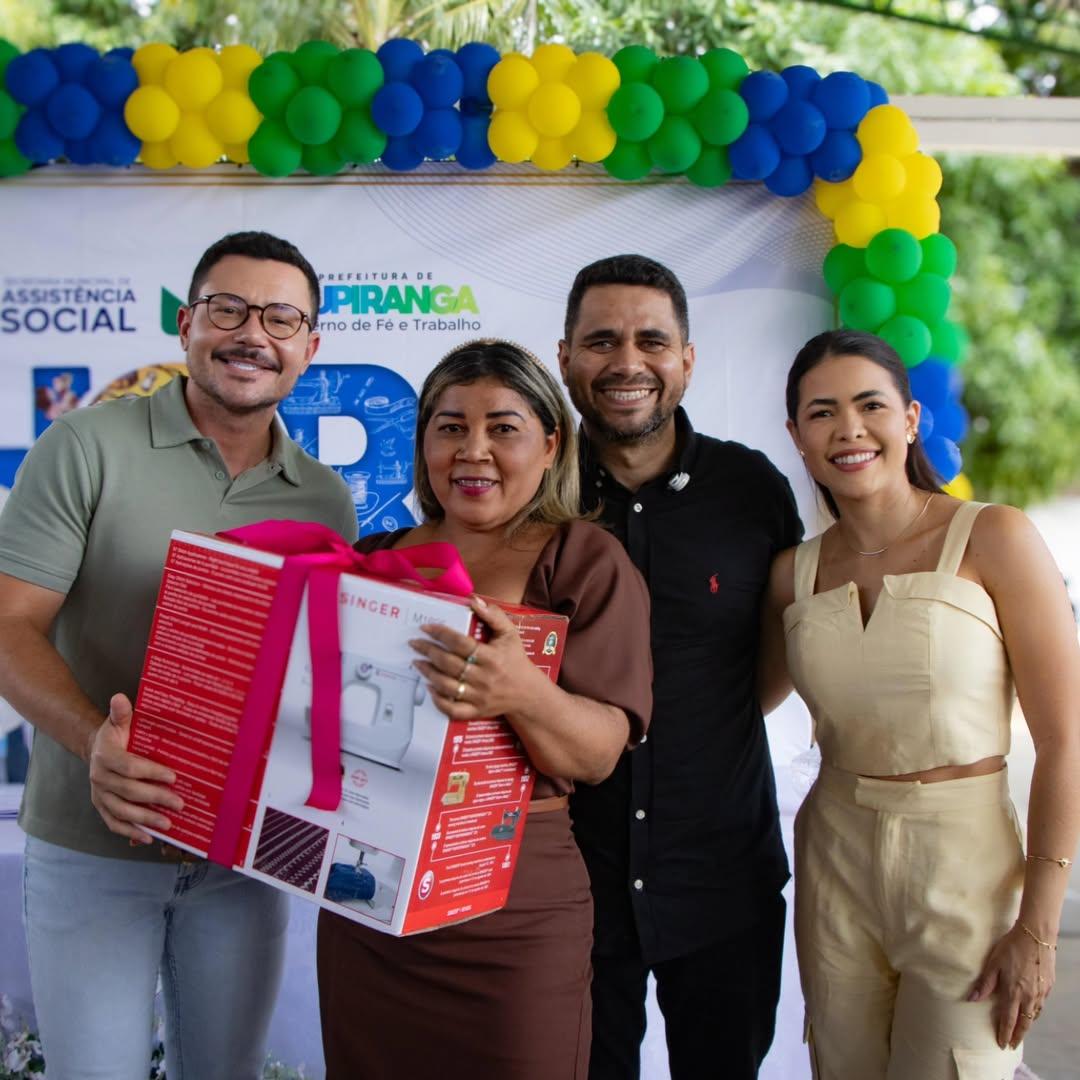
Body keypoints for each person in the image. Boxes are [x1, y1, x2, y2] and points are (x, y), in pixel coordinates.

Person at [0, 231, 358, 1080]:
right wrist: (94, 741)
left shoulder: (324, 498)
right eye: (228, 309)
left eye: (280, 318)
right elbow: (9, 626)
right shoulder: (84, 446)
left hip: (243, 862)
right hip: (92, 849)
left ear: (310, 347)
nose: (252, 334)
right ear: (188, 323)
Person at [317, 338, 653, 1080]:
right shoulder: (370, 558)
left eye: (503, 428)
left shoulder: (584, 558)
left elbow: (599, 754)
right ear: (423, 445)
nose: (474, 451)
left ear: (550, 445)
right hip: (366, 894)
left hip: (512, 910)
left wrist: (522, 691)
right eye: (451, 427)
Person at [760, 329, 1080, 1079]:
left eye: (870, 405)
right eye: (822, 412)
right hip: (834, 857)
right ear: (797, 436)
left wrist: (1038, 927)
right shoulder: (791, 574)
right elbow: (732, 703)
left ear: (909, 419)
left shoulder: (993, 536)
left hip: (968, 861)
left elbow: (1066, 740)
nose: (849, 429)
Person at [557, 254, 803, 1079]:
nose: (627, 362)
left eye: (652, 341)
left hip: (723, 876)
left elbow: (772, 662)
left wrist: (701, 724)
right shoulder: (532, 493)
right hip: (574, 882)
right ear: (565, 358)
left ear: (687, 360)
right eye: (602, 341)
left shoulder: (753, 489)